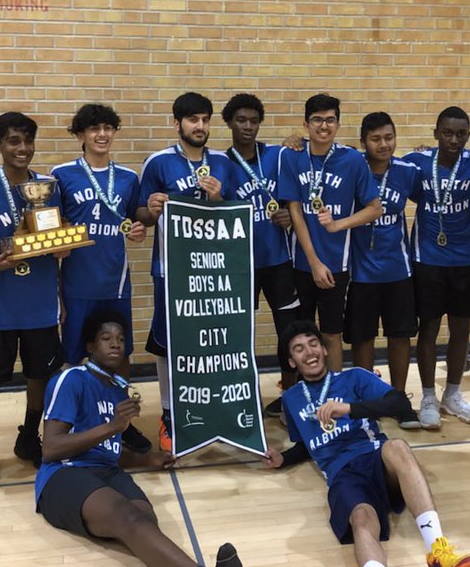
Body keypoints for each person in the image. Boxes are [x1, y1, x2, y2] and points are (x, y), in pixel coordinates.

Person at [261, 320, 470, 567]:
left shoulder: (354, 378)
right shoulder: (291, 400)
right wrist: (283, 458)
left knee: (398, 447)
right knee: (361, 519)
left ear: (325, 350)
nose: (309, 352)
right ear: (292, 362)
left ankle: (439, 556)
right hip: (342, 475)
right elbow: (307, 444)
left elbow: (400, 404)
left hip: (374, 457)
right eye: (299, 349)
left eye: (313, 343)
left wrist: (350, 409)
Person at [36, 311, 243, 567]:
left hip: (106, 471)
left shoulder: (120, 389)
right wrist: (112, 427)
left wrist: (145, 461)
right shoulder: (71, 379)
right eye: (106, 338)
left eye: (121, 339)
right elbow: (51, 449)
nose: (115, 344)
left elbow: (109, 452)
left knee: (145, 528)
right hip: (63, 474)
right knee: (129, 517)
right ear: (90, 347)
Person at [0, 112, 64, 491]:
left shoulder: (48, 186)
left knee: (39, 374)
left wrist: (61, 249)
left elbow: (54, 233)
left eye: (27, 141)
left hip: (41, 300)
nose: (22, 149)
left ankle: (28, 435)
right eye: (13, 142)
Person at [136, 92, 237, 451]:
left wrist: (218, 200)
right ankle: (169, 415)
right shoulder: (158, 163)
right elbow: (141, 214)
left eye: (206, 120)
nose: (200, 126)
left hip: (214, 269)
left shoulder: (223, 162)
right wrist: (150, 208)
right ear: (177, 123)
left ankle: (210, 410)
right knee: (169, 343)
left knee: (210, 342)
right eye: (193, 120)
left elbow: (237, 212)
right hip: (171, 269)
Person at [52, 103, 151, 453]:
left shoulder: (126, 177)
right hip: (77, 286)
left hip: (116, 284)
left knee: (119, 356)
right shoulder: (61, 175)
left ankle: (122, 425)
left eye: (108, 128)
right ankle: (68, 427)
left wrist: (140, 225)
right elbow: (49, 224)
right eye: (94, 128)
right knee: (72, 359)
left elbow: (135, 216)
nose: (102, 134)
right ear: (80, 135)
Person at [277, 94, 382, 372]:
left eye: (330, 120)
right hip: (302, 262)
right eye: (317, 120)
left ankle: (333, 396)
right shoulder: (292, 156)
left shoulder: (352, 160)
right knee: (300, 337)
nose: (324, 126)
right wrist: (314, 263)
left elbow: (375, 208)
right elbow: (295, 211)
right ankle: (306, 396)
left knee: (331, 334)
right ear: (306, 123)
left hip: (338, 263)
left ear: (337, 124)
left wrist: (338, 224)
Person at [404, 107, 470, 430]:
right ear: (436, 132)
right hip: (427, 259)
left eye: (461, 134)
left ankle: (452, 394)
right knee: (427, 329)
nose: (454, 140)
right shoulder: (417, 162)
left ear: (468, 135)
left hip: (464, 258)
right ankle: (427, 396)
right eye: (447, 133)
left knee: (461, 329)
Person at [221, 93, 299, 418]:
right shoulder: (221, 163)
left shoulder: (277, 155)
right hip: (241, 265)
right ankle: (242, 398)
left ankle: (292, 396)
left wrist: (287, 216)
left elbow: (315, 147)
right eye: (241, 120)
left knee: (290, 330)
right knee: (240, 334)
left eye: (254, 121)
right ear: (229, 123)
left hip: (279, 260)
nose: (248, 126)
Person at [344, 112, 423, 429]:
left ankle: (399, 398)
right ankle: (366, 402)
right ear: (364, 142)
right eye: (376, 139)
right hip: (360, 272)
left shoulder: (407, 171)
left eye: (388, 137)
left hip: (398, 271)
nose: (383, 144)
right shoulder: (352, 167)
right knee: (362, 338)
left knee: (400, 336)